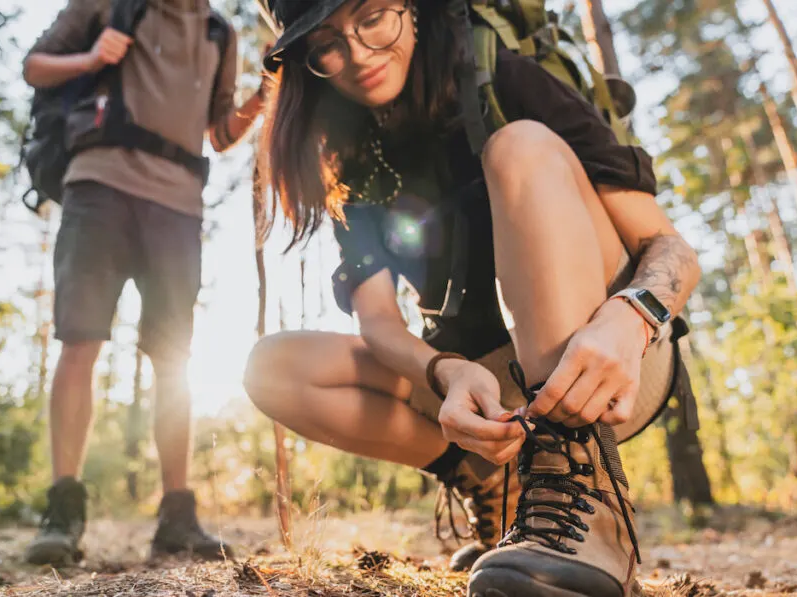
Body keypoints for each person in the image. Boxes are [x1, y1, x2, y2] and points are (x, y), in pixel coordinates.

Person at [244, 0, 701, 594]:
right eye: (327, 43)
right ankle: (498, 485)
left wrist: (631, 317)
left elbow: (673, 250)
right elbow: (379, 321)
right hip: (484, 389)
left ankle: (586, 495)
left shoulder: (500, 74)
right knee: (273, 368)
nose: (358, 55)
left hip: (612, 361)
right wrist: (445, 371)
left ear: (411, 8)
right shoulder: (347, 154)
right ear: (306, 63)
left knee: (519, 147)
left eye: (372, 18)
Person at [21, 0, 266, 566]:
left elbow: (221, 132)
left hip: (179, 206)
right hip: (98, 187)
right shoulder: (105, 5)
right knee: (80, 342)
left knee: (174, 357)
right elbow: (35, 66)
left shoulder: (218, 32)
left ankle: (177, 517)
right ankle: (62, 511)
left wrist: (260, 98)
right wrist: (90, 57)